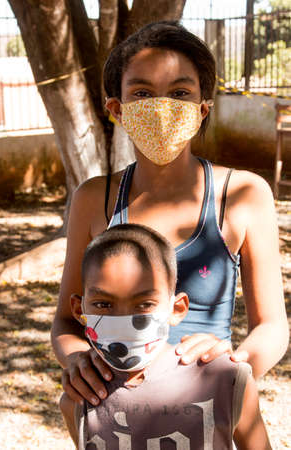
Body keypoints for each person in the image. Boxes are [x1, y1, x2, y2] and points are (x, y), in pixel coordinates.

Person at [51, 21, 289, 408]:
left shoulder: (243, 196)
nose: (162, 108)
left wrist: (233, 368)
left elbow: (273, 327)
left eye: (179, 92)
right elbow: (65, 320)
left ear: (201, 109)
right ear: (118, 109)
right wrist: (78, 361)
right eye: (142, 93)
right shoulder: (95, 199)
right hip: (117, 415)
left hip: (207, 411)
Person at [63, 223, 272, 449]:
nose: (124, 320)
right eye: (103, 304)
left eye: (144, 304)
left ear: (177, 309)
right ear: (78, 309)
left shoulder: (226, 380)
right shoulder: (79, 396)